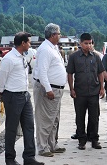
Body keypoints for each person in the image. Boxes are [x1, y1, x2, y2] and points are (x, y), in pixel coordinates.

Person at [0, 32, 44, 165]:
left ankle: (29, 157)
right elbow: (1, 80)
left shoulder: (22, 57)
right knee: (11, 128)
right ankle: (10, 159)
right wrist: (3, 94)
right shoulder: (9, 59)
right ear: (23, 43)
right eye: (28, 42)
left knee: (29, 126)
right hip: (12, 96)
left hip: (24, 95)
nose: (30, 44)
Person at [33, 23, 67, 157]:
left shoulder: (53, 47)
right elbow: (42, 72)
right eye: (58, 33)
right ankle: (42, 147)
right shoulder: (46, 49)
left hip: (56, 89)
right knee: (45, 119)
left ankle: (52, 144)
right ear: (53, 35)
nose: (60, 36)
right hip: (49, 90)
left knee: (54, 119)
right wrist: (48, 89)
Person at [67, 33, 105, 150]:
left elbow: (100, 72)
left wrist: (102, 88)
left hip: (94, 92)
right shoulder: (74, 57)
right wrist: (71, 89)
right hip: (79, 93)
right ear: (80, 43)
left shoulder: (96, 57)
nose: (88, 45)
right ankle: (81, 141)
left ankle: (94, 140)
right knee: (80, 117)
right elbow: (70, 74)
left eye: (90, 43)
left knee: (94, 117)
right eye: (86, 43)